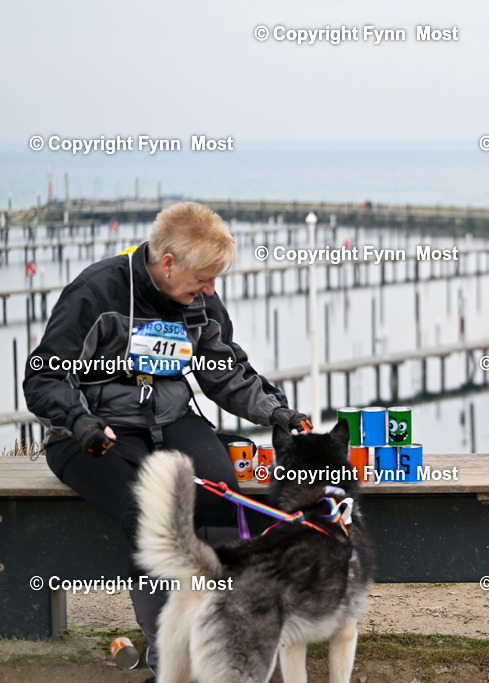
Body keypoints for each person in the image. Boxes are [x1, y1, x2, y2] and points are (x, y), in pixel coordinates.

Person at [22, 201, 311, 673]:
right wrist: (79, 420)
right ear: (168, 262)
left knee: (222, 496)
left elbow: (225, 371)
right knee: (149, 509)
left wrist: (275, 410)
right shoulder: (96, 291)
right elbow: (43, 380)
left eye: (215, 281)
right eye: (204, 278)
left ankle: (217, 630)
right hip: (90, 431)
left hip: (170, 419)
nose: (210, 290)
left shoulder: (197, 298)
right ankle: (167, 655)